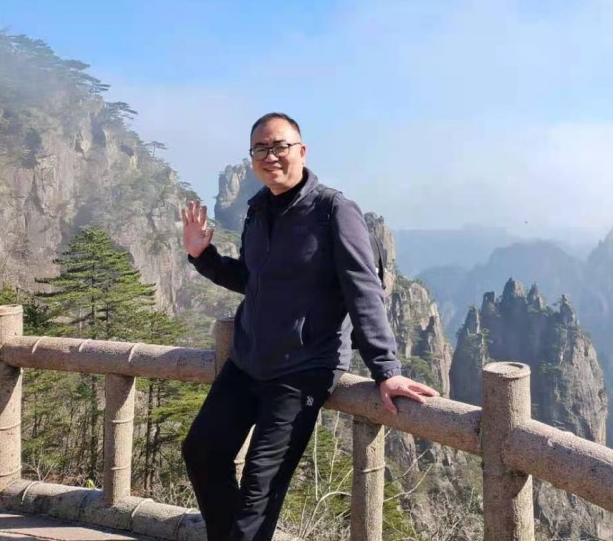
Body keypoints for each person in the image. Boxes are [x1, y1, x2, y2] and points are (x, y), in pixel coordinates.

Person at [181, 112, 437, 541]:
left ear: (301, 151)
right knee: (202, 452)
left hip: (301, 371)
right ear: (252, 159)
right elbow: (252, 279)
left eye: (280, 146)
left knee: (258, 492)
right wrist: (202, 256)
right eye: (260, 149)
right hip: (247, 362)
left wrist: (386, 370)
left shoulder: (333, 211)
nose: (271, 156)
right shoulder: (258, 209)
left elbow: (363, 291)